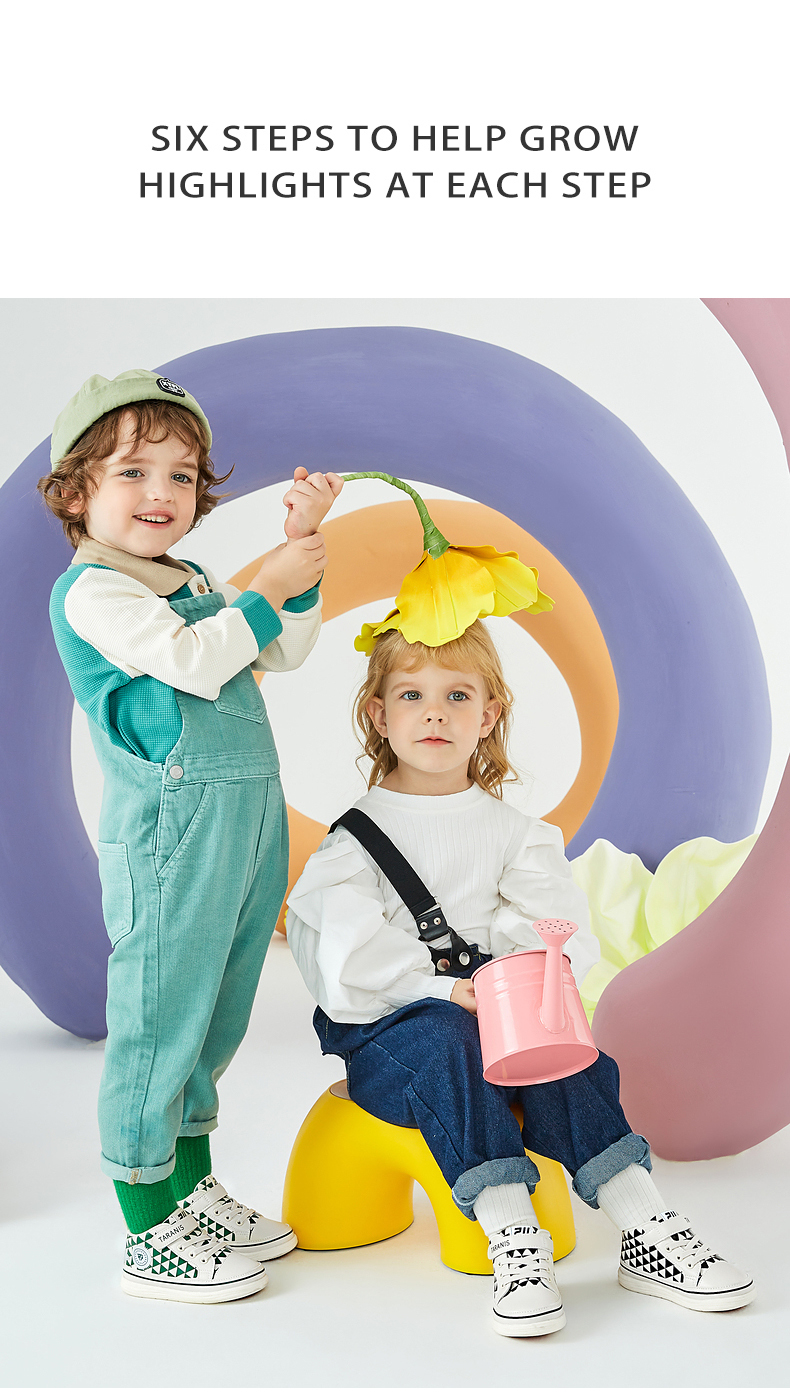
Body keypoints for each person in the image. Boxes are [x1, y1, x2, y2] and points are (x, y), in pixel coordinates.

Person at [286, 620, 754, 1337]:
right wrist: (444, 989)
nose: (435, 714)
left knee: (564, 1052)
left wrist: (516, 984)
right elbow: (344, 956)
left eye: (457, 695)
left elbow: (551, 926)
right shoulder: (355, 840)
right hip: (394, 1036)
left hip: (498, 1019)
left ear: (489, 714)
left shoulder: (515, 834)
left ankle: (646, 1227)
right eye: (411, 695)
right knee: (448, 1037)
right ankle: (513, 1235)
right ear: (379, 715)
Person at [39, 368, 343, 1303]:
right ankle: (147, 1227)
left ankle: (191, 1189)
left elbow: (282, 648)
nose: (162, 492)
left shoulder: (197, 580)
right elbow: (197, 660)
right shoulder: (92, 592)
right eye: (133, 472)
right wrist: (266, 587)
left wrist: (297, 563)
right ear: (76, 492)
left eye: (181, 475)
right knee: (159, 1018)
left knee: (216, 1014)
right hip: (171, 830)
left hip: (246, 817)